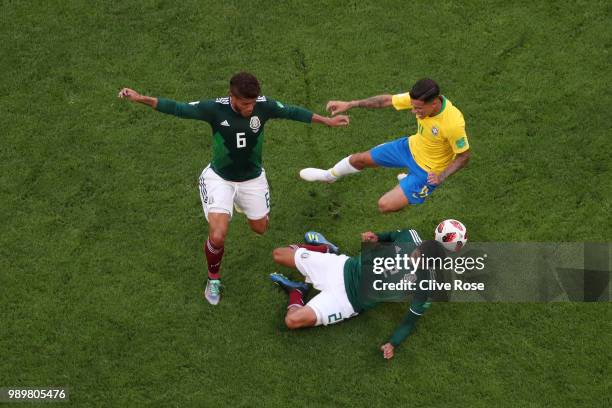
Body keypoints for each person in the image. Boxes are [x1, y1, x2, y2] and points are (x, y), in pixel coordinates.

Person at [118, 72, 349, 305]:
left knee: (260, 228)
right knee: (218, 235)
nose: (250, 108)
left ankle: (314, 246)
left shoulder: (263, 106)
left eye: (253, 102)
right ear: (232, 97)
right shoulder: (214, 110)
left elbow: (292, 112)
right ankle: (214, 279)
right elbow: (177, 108)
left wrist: (327, 121)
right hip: (220, 179)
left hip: (252, 180)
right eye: (245, 103)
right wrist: (140, 98)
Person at [270, 230, 446, 359]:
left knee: (291, 321)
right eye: (415, 253)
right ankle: (326, 249)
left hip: (346, 301)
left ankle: (297, 291)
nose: (411, 258)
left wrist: (393, 344)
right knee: (278, 254)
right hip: (341, 267)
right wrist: (376, 237)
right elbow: (391, 236)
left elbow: (409, 321)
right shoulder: (410, 237)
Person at [300, 78, 470, 213]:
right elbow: (386, 101)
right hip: (409, 147)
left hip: (427, 171)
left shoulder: (452, 123)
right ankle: (329, 176)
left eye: (418, 108)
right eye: (412, 106)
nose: (413, 111)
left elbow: (464, 156)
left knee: (385, 206)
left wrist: (441, 176)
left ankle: (408, 183)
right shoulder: (419, 100)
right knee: (360, 159)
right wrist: (350, 104)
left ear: (434, 103)